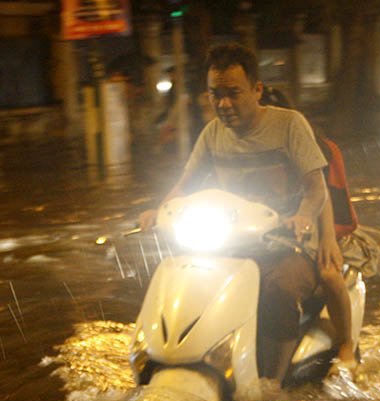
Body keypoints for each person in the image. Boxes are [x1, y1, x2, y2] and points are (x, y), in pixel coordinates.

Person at [139, 43, 342, 382]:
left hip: (289, 241)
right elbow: (184, 186)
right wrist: (159, 211)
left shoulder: (290, 125)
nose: (223, 104)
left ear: (257, 90)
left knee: (278, 289)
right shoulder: (211, 134)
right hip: (233, 241)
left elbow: (316, 187)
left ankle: (272, 381)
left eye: (233, 93)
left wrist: (304, 215)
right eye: (215, 94)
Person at [260, 86, 358, 370]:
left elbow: (322, 195)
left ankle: (346, 344)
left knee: (328, 272)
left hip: (312, 224)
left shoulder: (305, 144)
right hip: (268, 230)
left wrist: (327, 239)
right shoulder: (241, 147)